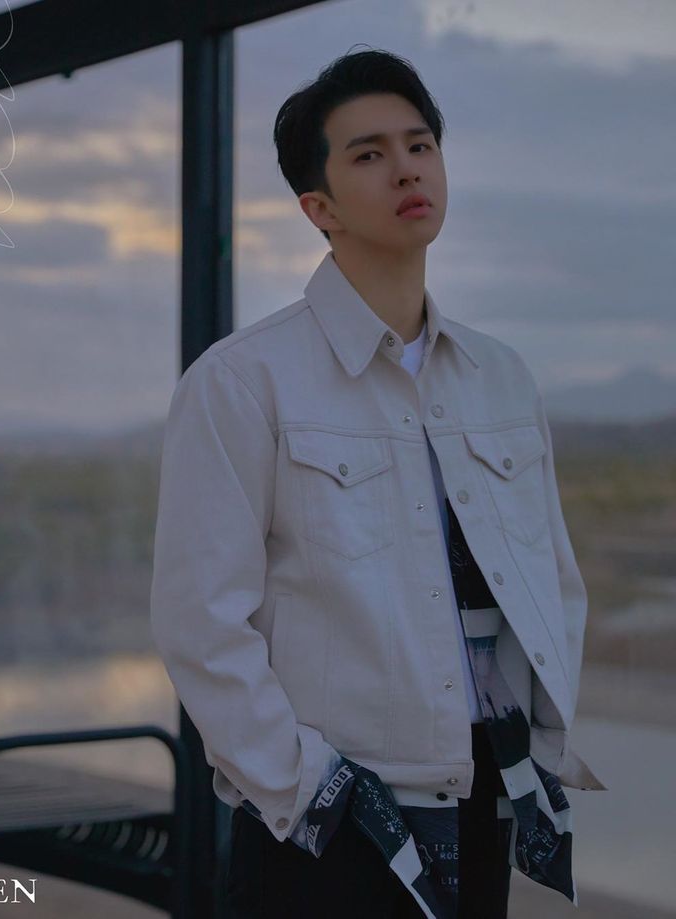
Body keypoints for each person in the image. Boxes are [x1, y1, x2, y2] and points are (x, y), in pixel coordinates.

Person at [149, 47, 606, 919]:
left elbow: (553, 584)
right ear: (317, 207)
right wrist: (311, 788)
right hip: (329, 828)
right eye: (368, 153)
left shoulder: (500, 375)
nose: (406, 167)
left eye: (420, 143)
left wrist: (541, 743)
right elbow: (199, 620)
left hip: (486, 801)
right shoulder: (243, 381)